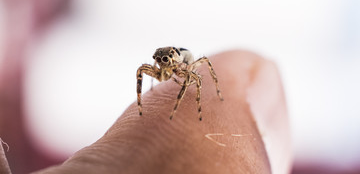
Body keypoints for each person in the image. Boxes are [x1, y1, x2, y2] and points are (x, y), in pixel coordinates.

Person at [4, 50, 290, 174]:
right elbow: (146, 71)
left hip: (188, 67)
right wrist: (144, 96)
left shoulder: (184, 65)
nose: (162, 65)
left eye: (165, 62)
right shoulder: (156, 66)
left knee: (199, 78)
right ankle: (150, 100)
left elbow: (197, 70)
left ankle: (191, 103)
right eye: (159, 62)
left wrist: (196, 102)